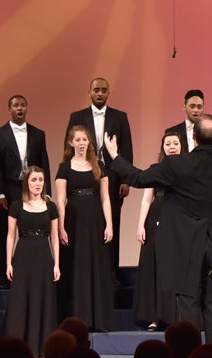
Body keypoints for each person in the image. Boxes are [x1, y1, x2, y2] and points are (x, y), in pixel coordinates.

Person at [106, 113, 212, 347]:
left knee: (187, 298)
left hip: (185, 244)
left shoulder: (177, 164)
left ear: (193, 138)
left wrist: (115, 155)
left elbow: (139, 178)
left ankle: (191, 357)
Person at [66, 78, 133, 284]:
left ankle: (110, 273)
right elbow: (68, 149)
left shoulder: (120, 117)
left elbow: (127, 148)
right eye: (96, 90)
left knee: (112, 222)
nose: (100, 93)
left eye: (104, 90)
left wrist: (126, 179)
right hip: (84, 175)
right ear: (90, 92)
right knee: (86, 223)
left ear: (109, 93)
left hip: (112, 176)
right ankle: (85, 272)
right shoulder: (77, 116)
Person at [56, 125, 114, 331]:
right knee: (76, 266)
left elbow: (106, 198)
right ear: (71, 143)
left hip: (95, 219)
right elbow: (61, 200)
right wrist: (61, 227)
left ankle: (98, 319)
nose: (81, 143)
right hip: (73, 220)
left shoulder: (99, 166)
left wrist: (109, 224)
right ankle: (77, 319)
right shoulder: (64, 167)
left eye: (85, 140)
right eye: (77, 140)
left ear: (89, 142)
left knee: (95, 265)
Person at [0, 95, 50, 289]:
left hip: (33, 189)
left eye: (23, 105)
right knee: (4, 233)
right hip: (9, 189)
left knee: (32, 230)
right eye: (16, 105)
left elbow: (44, 162)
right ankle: (1, 276)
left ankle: (30, 273)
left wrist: (45, 192)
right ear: (9, 109)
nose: (20, 108)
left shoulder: (38, 134)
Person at [4, 166, 60, 354]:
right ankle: (19, 347)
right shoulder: (17, 205)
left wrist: (57, 264)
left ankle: (41, 345)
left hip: (44, 257)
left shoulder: (51, 207)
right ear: (27, 182)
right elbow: (11, 236)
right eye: (34, 180)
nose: (38, 184)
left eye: (41, 180)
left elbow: (54, 237)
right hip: (23, 256)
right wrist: (8, 263)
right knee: (22, 300)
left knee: (41, 299)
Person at [133, 131, 183, 331]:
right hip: (155, 218)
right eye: (168, 143)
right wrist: (140, 224)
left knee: (176, 267)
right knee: (154, 267)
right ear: (163, 147)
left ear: (181, 146)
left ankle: (175, 315)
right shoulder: (155, 169)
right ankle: (155, 316)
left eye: (175, 143)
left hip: (179, 219)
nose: (171, 146)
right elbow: (147, 199)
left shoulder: (187, 169)